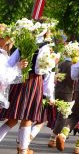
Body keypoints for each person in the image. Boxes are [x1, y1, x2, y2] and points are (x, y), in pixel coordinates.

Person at [0, 24, 55, 154]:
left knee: (13, 118)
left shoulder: (23, 44)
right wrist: (52, 63)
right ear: (46, 34)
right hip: (33, 82)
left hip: (19, 82)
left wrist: (20, 68)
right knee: (27, 118)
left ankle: (23, 148)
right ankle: (23, 149)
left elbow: (9, 64)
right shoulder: (45, 47)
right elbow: (39, 70)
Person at [48, 44, 79, 148]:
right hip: (68, 92)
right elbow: (75, 79)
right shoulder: (73, 65)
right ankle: (53, 138)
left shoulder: (61, 63)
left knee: (60, 115)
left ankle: (54, 137)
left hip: (58, 90)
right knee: (63, 116)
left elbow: (56, 77)